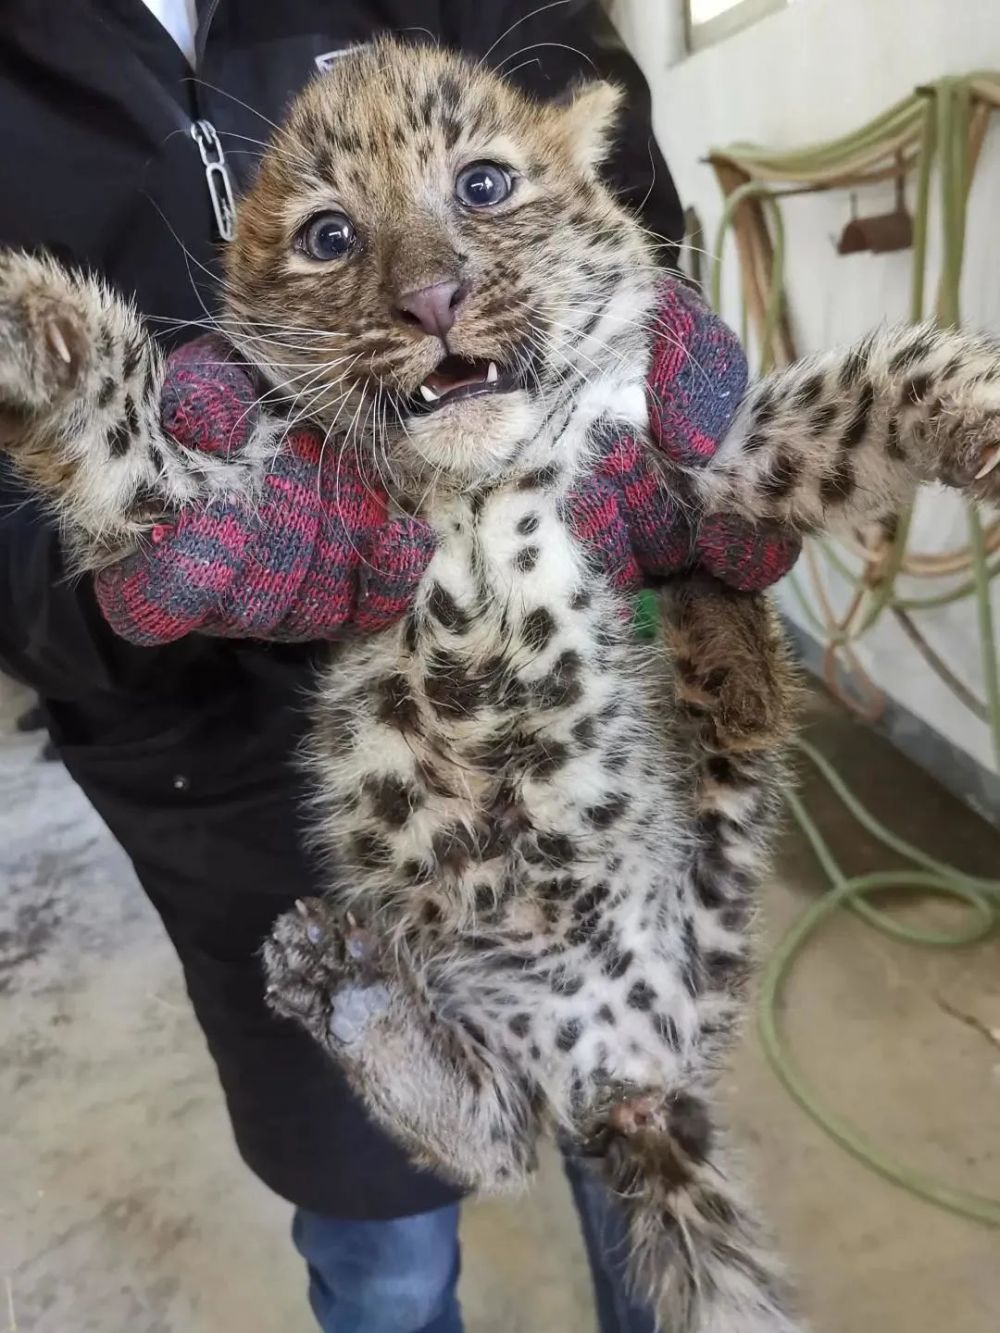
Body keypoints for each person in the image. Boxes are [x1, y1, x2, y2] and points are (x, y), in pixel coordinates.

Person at [0, 4, 797, 1330]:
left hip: (567, 671)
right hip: (228, 785)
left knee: (640, 1117)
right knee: (381, 1245)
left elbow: (593, 148)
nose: (425, 285)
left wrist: (632, 383)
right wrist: (116, 586)